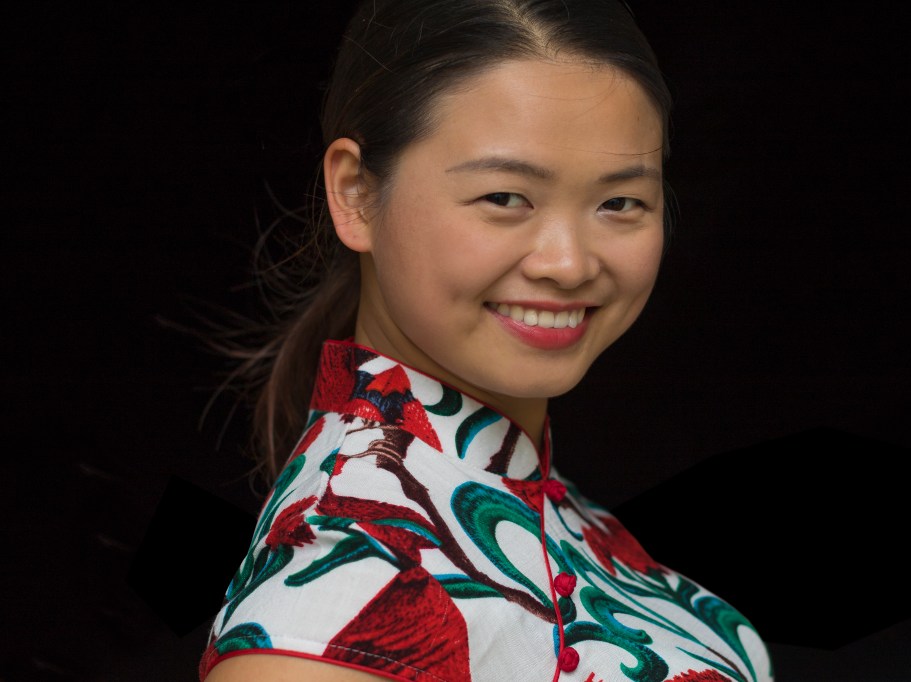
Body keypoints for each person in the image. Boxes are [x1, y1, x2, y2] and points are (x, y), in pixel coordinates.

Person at [200, 1, 774, 680]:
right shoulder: (339, 603)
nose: (569, 264)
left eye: (618, 203)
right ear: (354, 193)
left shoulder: (534, 498)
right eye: (504, 197)